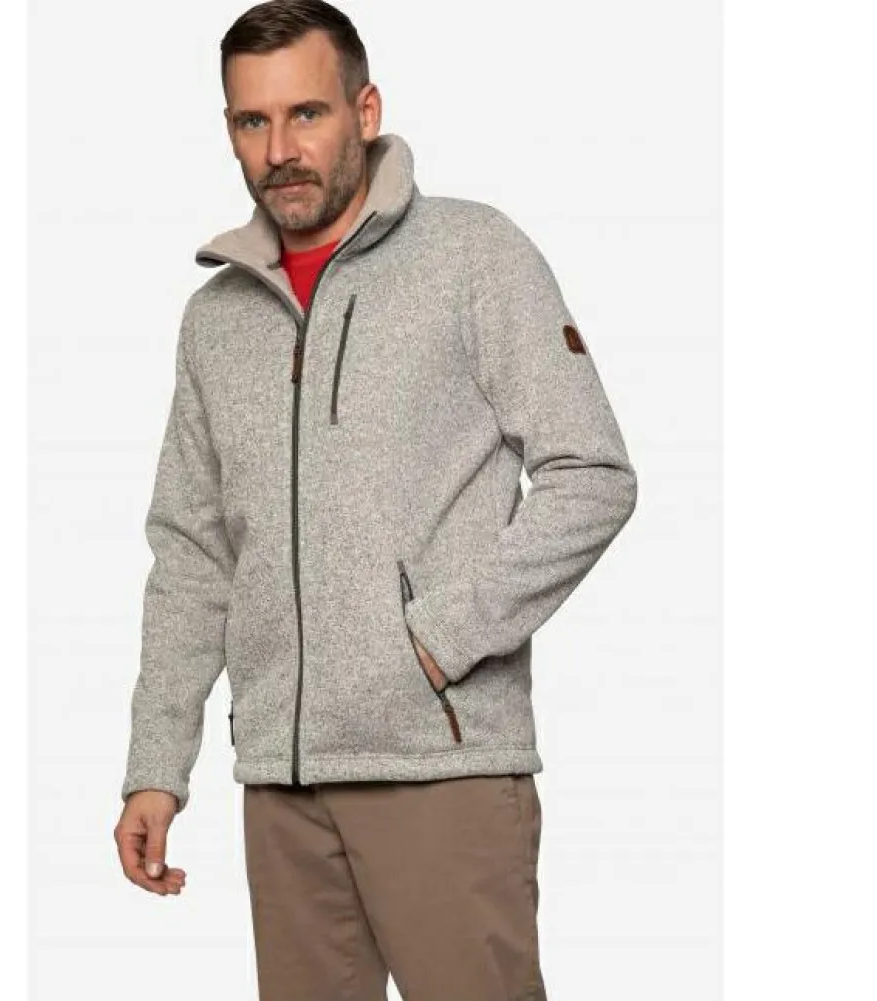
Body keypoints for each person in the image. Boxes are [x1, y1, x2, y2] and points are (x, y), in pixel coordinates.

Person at [113, 1, 638, 998]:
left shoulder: (473, 256)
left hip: (440, 768)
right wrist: (155, 764)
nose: (279, 149)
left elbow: (592, 473)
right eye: (252, 121)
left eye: (305, 113)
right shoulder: (216, 319)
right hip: (282, 782)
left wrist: (437, 638)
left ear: (365, 111)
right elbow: (192, 553)